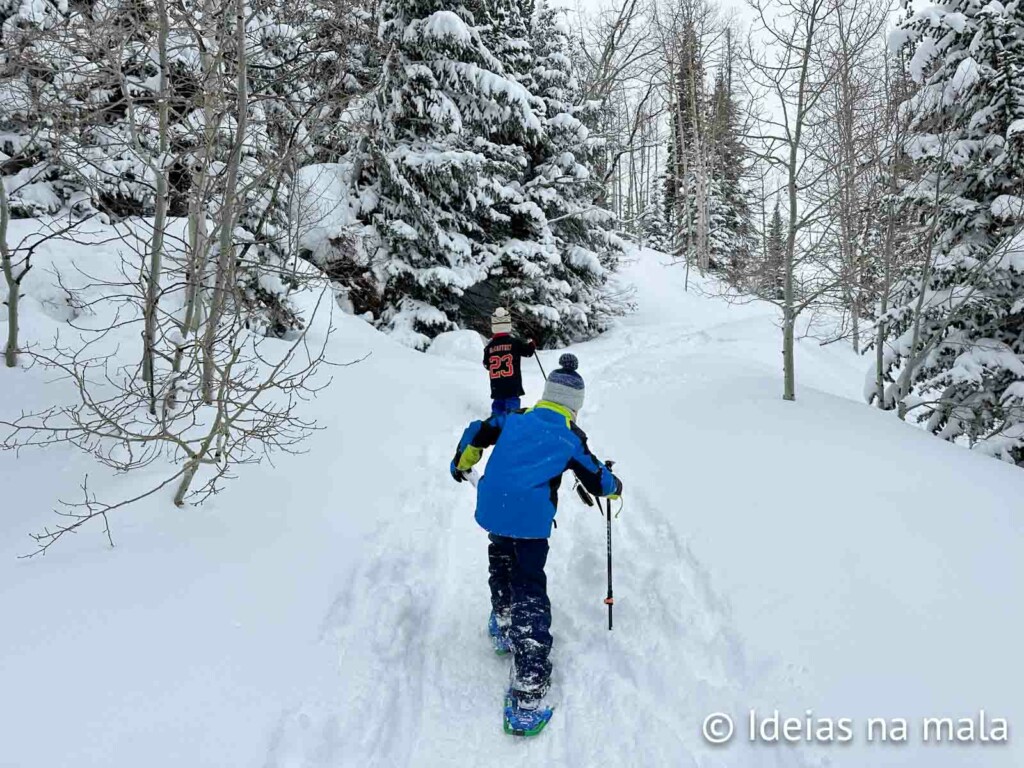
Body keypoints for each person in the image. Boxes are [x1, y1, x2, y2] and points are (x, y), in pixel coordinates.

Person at [450, 353, 622, 736]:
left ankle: (504, 616)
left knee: (500, 556)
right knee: (529, 581)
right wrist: (615, 486)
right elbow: (597, 480)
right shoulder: (570, 437)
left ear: (546, 395)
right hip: (529, 519)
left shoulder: (515, 417)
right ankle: (529, 681)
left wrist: (461, 462)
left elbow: (477, 431)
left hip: (494, 506)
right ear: (575, 405)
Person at [483, 307, 536, 416]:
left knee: (497, 412)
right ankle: (510, 428)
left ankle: (495, 428)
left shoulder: (489, 347)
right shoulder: (514, 343)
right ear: (508, 326)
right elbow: (528, 352)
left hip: (497, 387)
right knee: (512, 415)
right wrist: (531, 343)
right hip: (512, 387)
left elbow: (487, 365)